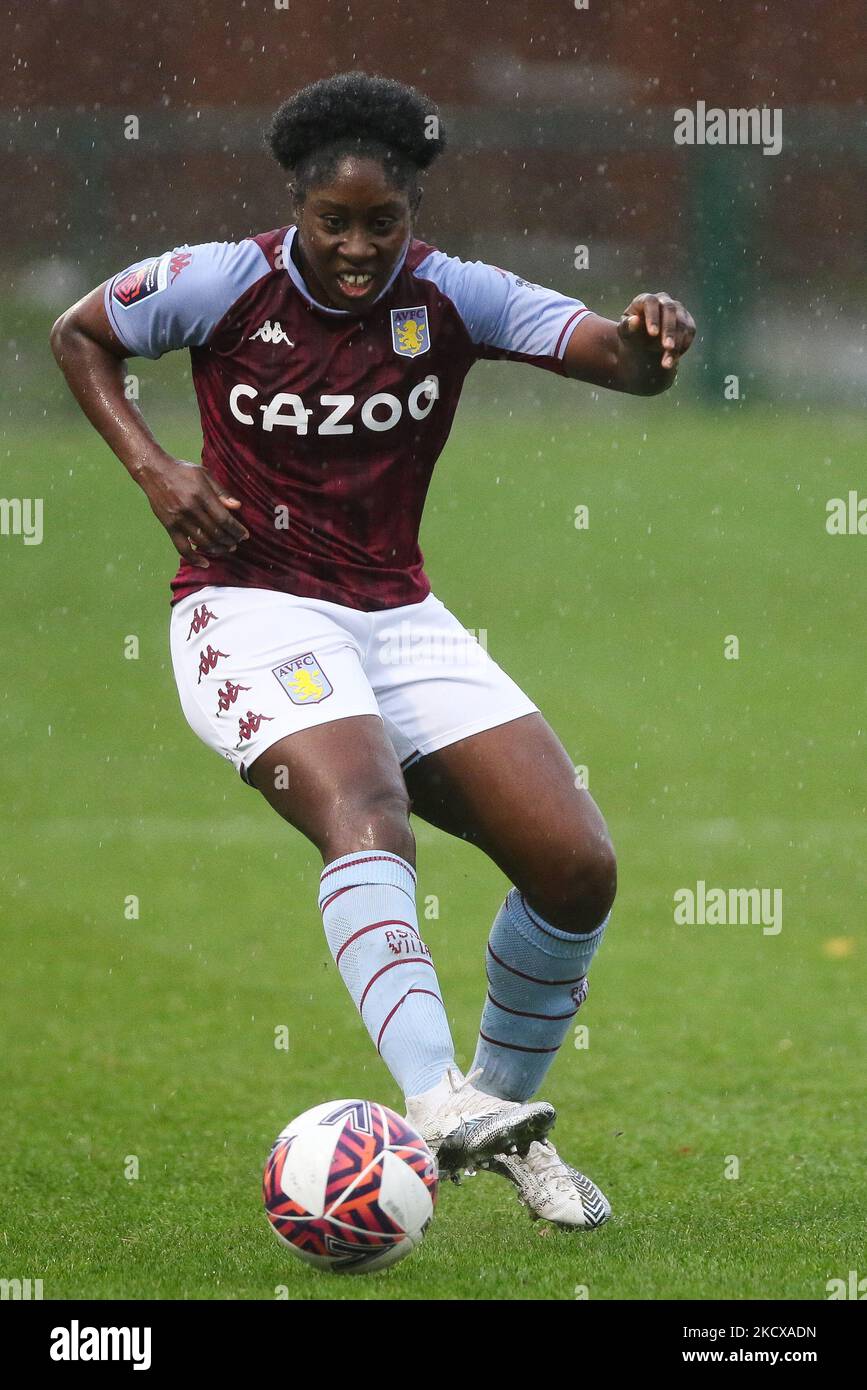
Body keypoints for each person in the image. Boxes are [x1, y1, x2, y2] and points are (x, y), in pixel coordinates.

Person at [51, 70, 695, 1231]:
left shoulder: (454, 295)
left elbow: (609, 356)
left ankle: (494, 1119)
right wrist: (158, 473)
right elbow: (81, 332)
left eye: (380, 223)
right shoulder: (218, 280)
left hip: (399, 614)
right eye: (332, 223)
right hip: (245, 606)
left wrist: (650, 343)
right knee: (365, 806)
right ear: (295, 208)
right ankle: (432, 1095)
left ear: (412, 212)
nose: (357, 248)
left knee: (575, 867)